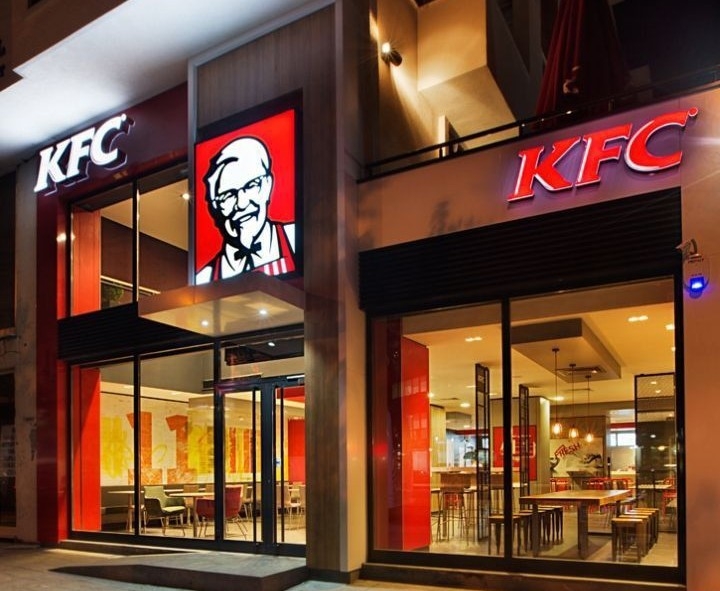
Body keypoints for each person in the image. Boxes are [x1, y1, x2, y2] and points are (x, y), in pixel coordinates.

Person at [196, 136, 295, 284]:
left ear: (268, 185)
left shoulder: (296, 240)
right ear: (215, 206)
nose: (242, 204)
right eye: (228, 195)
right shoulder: (204, 279)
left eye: (251, 186)